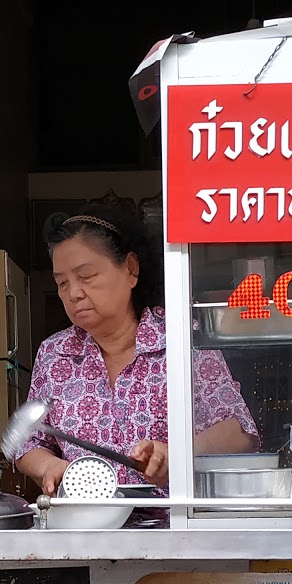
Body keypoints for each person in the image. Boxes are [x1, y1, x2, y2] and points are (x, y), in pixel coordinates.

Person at [14, 204, 258, 494]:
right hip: (87, 528)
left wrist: (178, 453)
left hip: (174, 525)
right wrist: (48, 467)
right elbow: (29, 444)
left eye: (87, 276)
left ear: (130, 270)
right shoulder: (55, 355)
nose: (74, 293)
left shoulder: (183, 339)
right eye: (62, 283)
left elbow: (241, 432)